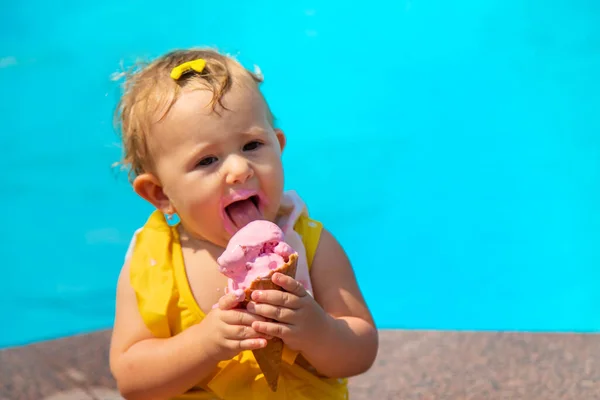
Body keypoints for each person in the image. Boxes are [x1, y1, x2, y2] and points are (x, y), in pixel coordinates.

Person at [108, 48, 378, 400]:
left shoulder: (310, 244)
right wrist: (206, 343)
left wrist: (316, 330)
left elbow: (360, 352)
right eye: (207, 160)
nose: (239, 170)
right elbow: (132, 380)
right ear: (160, 193)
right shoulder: (153, 264)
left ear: (278, 147)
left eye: (252, 145)